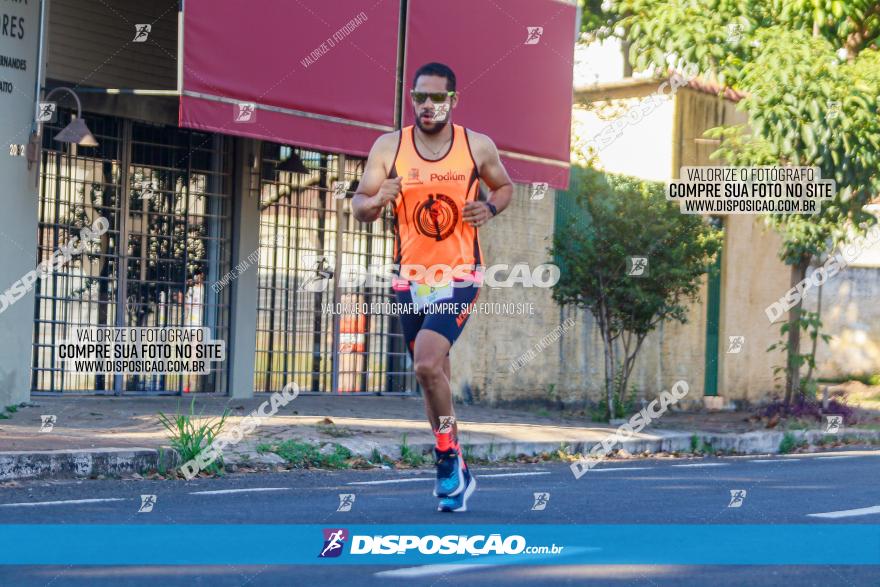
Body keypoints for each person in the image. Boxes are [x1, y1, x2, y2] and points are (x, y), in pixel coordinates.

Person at [352, 62, 513, 512]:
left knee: (425, 364)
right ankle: (458, 467)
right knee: (434, 376)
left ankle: (444, 457)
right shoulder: (390, 147)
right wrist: (376, 199)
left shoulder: (475, 146)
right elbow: (359, 204)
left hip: (459, 274)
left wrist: (490, 210)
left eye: (437, 98)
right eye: (420, 97)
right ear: (412, 99)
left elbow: (504, 187)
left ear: (453, 100)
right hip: (409, 278)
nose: (427, 105)